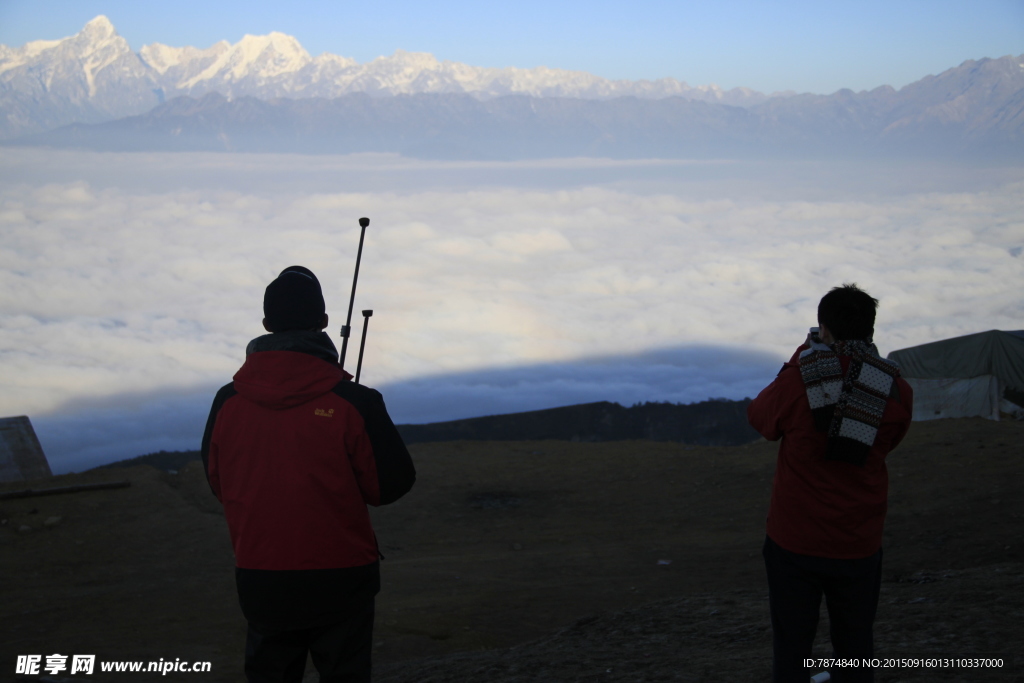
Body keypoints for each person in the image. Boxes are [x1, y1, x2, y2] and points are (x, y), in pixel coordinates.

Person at [201, 265, 416, 683]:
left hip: (260, 574)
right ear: (322, 323)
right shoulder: (354, 401)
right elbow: (390, 486)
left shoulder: (227, 401)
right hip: (341, 576)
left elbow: (217, 483)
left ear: (265, 326)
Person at [747, 284, 913, 683]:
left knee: (792, 646)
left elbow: (760, 418)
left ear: (823, 329)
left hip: (795, 541)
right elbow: (888, 442)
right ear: (870, 330)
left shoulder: (801, 378)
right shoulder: (893, 387)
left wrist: (801, 357)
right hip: (858, 540)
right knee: (855, 646)